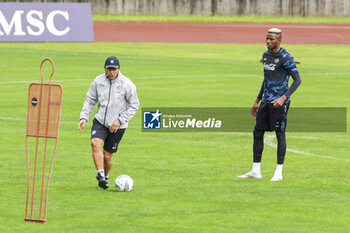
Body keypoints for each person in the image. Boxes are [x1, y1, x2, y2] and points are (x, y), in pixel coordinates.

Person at [237, 28, 301, 181]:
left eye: (271, 39)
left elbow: (297, 80)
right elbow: (266, 80)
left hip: (279, 103)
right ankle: (255, 171)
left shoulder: (286, 57)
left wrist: (283, 98)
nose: (268, 42)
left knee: (280, 134)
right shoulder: (265, 55)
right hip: (266, 101)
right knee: (257, 133)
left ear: (279, 40)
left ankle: (278, 172)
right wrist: (257, 100)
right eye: (267, 39)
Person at [78, 56, 140, 189]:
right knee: (95, 143)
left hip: (118, 125)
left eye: (114, 69)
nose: (111, 72)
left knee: (107, 155)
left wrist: (120, 120)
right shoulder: (98, 81)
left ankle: (105, 179)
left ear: (119, 69)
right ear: (105, 69)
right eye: (108, 69)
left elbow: (134, 105)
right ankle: (100, 174)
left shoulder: (127, 84)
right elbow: (90, 100)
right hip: (100, 121)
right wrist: (84, 117)